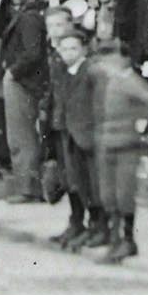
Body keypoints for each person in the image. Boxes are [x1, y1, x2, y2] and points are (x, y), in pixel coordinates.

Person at [90, 43, 148, 265]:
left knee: (123, 194)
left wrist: (139, 127)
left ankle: (127, 240)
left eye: (110, 60)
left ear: (124, 59)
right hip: (107, 144)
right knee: (108, 195)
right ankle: (116, 240)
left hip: (126, 144)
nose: (105, 65)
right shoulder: (109, 81)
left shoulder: (130, 81)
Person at [49, 25, 101, 256]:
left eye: (73, 48)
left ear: (84, 50)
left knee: (92, 181)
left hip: (87, 133)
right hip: (65, 131)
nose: (68, 53)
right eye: (64, 48)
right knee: (73, 179)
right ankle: (76, 222)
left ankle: (98, 225)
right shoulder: (60, 70)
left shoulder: (91, 71)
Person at [0, 0, 49, 204]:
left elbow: (33, 53)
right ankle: (27, 185)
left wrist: (12, 71)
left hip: (22, 81)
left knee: (21, 136)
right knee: (23, 134)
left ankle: (27, 188)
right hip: (23, 80)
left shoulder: (28, 17)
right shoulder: (28, 14)